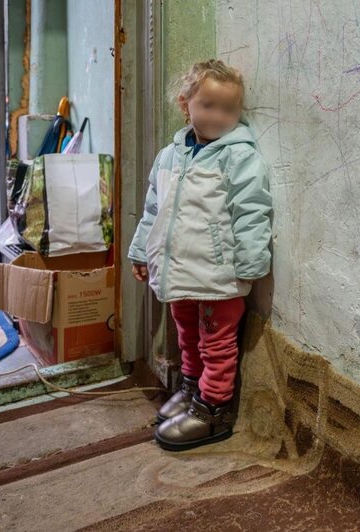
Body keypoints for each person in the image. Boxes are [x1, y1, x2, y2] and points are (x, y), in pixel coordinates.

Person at [128, 59, 272, 452]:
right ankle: (192, 388)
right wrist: (141, 252)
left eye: (229, 109)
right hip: (180, 270)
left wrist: (251, 264)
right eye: (208, 106)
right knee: (187, 335)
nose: (218, 116)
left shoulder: (239, 156)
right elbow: (154, 210)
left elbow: (252, 211)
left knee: (216, 343)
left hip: (218, 274)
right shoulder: (169, 156)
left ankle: (213, 409)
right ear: (185, 104)